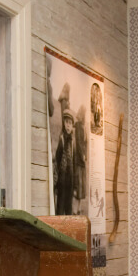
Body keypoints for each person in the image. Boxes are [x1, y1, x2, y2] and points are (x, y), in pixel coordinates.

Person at [53, 83, 86, 215]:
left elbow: (74, 164)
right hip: (62, 181)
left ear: (73, 126)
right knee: (60, 208)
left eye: (70, 123)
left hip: (70, 182)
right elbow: (57, 160)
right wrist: (56, 182)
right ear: (64, 123)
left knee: (68, 209)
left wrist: (75, 186)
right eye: (66, 122)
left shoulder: (73, 143)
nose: (68, 125)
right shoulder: (62, 140)